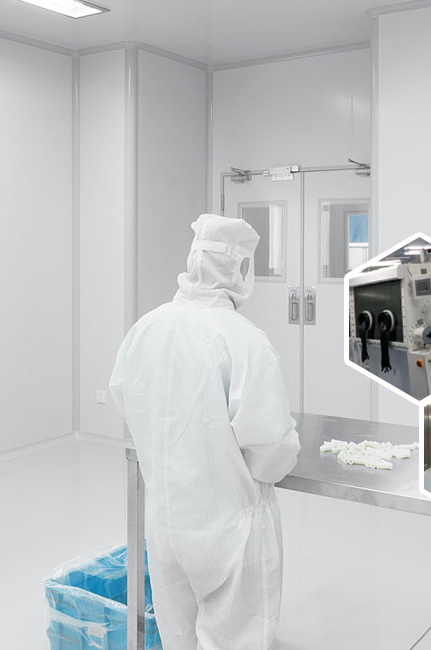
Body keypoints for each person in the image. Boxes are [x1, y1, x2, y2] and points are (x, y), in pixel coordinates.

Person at [109, 214, 301, 650]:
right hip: (229, 533)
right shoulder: (244, 340)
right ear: (239, 268)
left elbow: (125, 396)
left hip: (166, 525)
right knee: (235, 637)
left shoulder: (145, 328)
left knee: (177, 636)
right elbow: (272, 450)